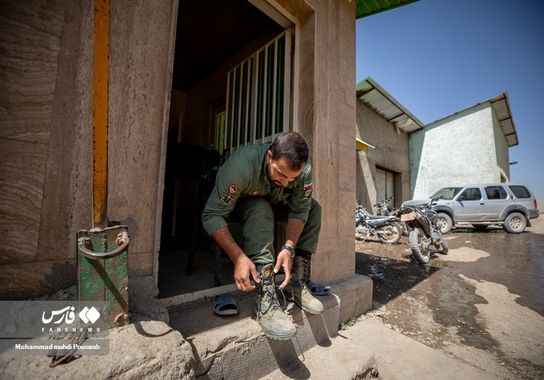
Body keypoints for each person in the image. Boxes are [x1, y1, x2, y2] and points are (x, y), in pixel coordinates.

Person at [201, 132, 323, 340]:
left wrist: (288, 247)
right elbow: (212, 215)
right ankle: (266, 296)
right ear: (269, 156)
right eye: (281, 174)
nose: (285, 183)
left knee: (314, 209)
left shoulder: (304, 171)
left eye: (291, 179)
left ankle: (296, 282)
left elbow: (300, 210)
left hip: (274, 203)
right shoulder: (241, 166)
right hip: (243, 206)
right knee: (259, 207)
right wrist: (238, 257)